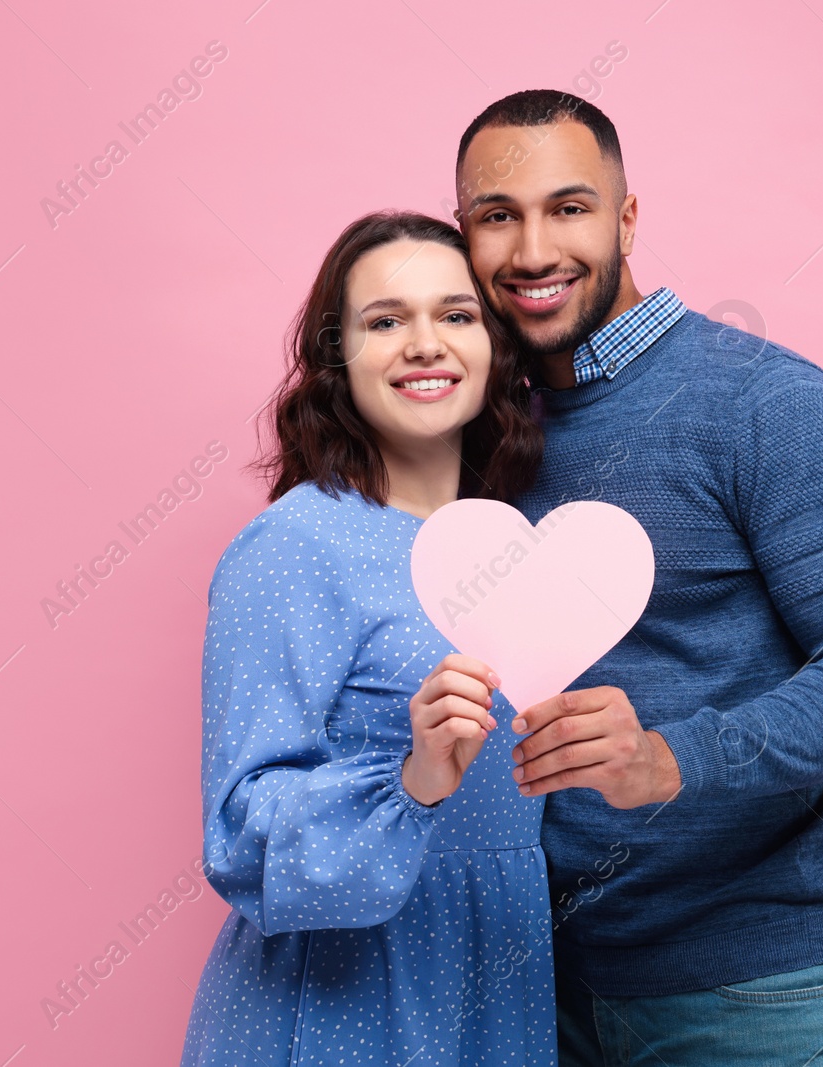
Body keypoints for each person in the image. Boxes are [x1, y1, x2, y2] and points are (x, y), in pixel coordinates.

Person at [453, 90, 823, 1065]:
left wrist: (670, 757)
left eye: (568, 208)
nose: (532, 249)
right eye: (496, 217)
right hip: (548, 993)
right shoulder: (482, 432)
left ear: (627, 218)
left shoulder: (766, 402)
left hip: (757, 998)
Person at [179, 211, 556, 1066]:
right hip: (345, 1007)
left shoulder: (516, 544)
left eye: (456, 316)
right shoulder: (293, 548)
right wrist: (412, 781)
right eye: (386, 321)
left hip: (500, 986)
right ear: (338, 358)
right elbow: (239, 835)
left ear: (495, 345)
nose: (425, 343)